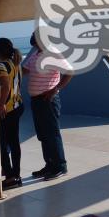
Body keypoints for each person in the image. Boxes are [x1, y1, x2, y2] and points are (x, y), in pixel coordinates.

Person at [23, 33, 72, 181]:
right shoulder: (35, 55)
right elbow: (24, 71)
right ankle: (50, 165)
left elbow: (69, 72)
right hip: (36, 100)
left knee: (52, 133)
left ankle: (60, 166)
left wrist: (55, 89)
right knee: (43, 134)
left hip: (48, 100)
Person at [0, 37, 25, 190]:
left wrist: (1, 105)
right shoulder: (15, 63)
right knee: (13, 141)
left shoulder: (0, 65)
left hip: (8, 108)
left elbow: (5, 85)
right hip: (17, 106)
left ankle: (10, 175)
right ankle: (15, 174)